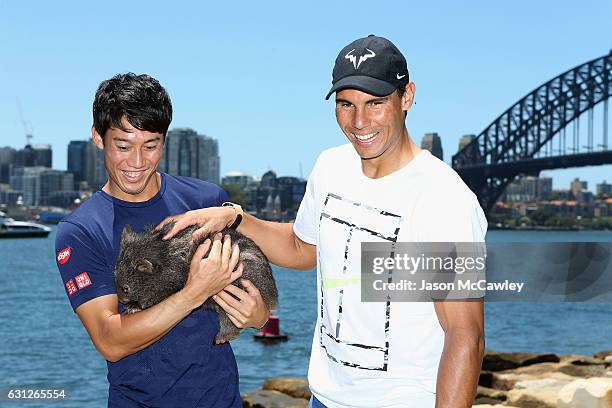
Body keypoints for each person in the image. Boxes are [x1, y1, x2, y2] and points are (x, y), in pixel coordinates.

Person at [161, 35, 487, 408]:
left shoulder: (444, 198)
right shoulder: (331, 167)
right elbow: (303, 249)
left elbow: (465, 335)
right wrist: (235, 218)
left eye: (375, 103)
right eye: (346, 104)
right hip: (324, 399)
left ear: (407, 96)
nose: (359, 121)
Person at [54, 73, 269, 407]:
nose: (137, 162)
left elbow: (253, 291)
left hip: (222, 398)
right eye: (123, 146)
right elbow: (110, 341)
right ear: (98, 138)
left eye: (150, 146)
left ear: (164, 141)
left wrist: (258, 316)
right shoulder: (81, 230)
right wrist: (195, 291)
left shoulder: (206, 200)